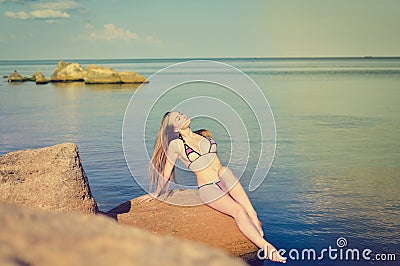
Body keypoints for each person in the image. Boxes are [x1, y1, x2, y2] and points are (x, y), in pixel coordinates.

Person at [137, 111, 286, 263]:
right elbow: (166, 172)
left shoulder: (203, 134)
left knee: (224, 170)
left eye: (181, 114)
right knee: (238, 211)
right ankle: (268, 249)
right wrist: (156, 193)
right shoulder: (176, 145)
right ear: (175, 129)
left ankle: (253, 215)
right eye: (178, 118)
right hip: (208, 188)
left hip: (224, 180)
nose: (183, 116)